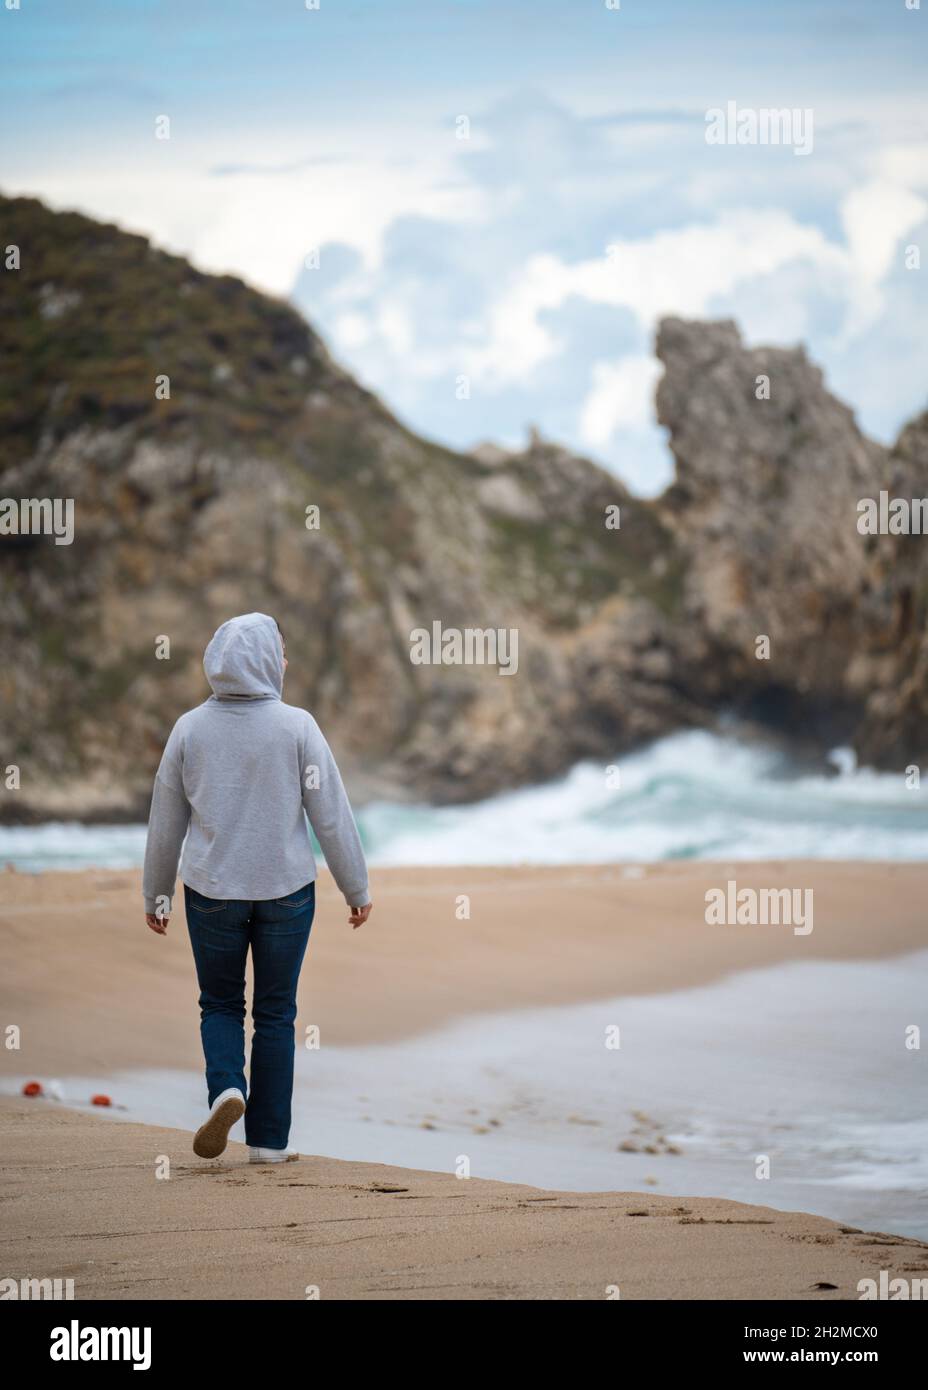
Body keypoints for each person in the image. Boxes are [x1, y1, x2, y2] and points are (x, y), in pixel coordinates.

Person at [141, 612, 372, 1163]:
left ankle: (226, 1088)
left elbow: (165, 820)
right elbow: (331, 816)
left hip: (212, 892)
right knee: (275, 1013)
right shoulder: (298, 727)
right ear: (267, 660)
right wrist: (355, 886)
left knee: (220, 1003)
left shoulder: (189, 729)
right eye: (281, 652)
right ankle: (268, 1143)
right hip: (286, 892)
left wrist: (156, 893)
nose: (286, 661)